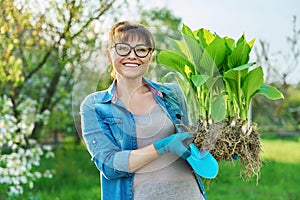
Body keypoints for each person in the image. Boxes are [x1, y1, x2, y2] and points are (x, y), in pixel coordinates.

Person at [80, 21, 206, 200]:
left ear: (150, 56)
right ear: (109, 55)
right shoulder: (95, 106)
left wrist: (215, 144)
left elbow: (189, 141)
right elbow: (110, 165)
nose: (132, 56)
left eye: (141, 49)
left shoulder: (172, 94)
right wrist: (164, 146)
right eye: (123, 48)